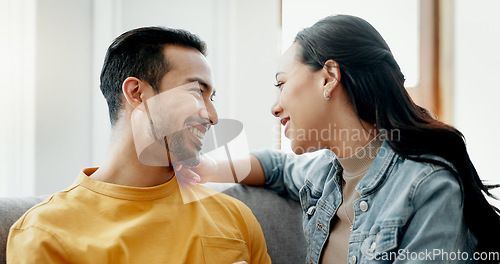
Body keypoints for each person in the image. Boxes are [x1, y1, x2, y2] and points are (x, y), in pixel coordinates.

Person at [177, 15, 500, 263]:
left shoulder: (427, 188)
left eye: (282, 84)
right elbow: (277, 167)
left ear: (329, 78)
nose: (275, 108)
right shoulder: (325, 173)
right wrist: (206, 169)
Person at [7, 27, 271, 264]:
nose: (212, 116)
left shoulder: (235, 218)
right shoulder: (44, 232)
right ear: (136, 93)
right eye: (196, 92)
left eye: (211, 96)